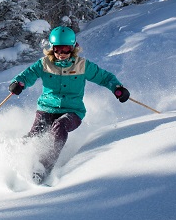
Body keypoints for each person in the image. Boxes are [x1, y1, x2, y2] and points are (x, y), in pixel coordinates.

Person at [8, 26, 130, 183]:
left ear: (72, 48)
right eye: (58, 49)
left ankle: (43, 168)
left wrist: (117, 88)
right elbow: (27, 75)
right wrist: (18, 83)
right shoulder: (44, 64)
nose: (61, 54)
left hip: (72, 111)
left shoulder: (82, 65)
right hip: (46, 108)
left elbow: (104, 77)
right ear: (52, 48)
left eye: (66, 49)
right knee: (35, 135)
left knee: (59, 127)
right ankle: (16, 155)